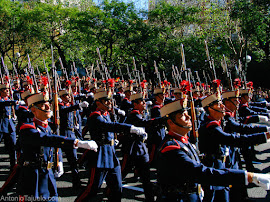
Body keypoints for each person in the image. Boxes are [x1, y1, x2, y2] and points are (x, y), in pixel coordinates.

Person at [157, 99, 270, 202]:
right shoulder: (171, 148)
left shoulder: (183, 141)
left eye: (187, 113)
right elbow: (199, 172)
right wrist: (248, 176)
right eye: (182, 115)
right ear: (171, 123)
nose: (189, 117)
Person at [17, 92, 98, 201]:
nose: (47, 107)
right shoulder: (27, 129)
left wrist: (59, 160)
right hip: (33, 176)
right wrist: (77, 142)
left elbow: (54, 146)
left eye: (48, 104)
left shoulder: (48, 127)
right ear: (33, 110)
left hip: (48, 172)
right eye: (42, 105)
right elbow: (49, 140)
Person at [76, 90, 147, 202]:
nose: (110, 103)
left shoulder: (106, 114)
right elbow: (109, 126)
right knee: (92, 189)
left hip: (111, 153)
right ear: (98, 103)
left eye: (110, 100)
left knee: (117, 188)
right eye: (106, 101)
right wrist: (129, 128)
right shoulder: (95, 116)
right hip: (100, 155)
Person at [198, 90, 270, 202]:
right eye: (218, 104)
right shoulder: (211, 127)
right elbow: (235, 139)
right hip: (214, 167)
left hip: (223, 162)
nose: (222, 106)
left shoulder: (218, 121)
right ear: (210, 109)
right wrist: (265, 135)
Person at [122, 92, 163, 202]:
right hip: (131, 148)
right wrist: (161, 119)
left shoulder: (139, 113)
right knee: (122, 172)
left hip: (140, 148)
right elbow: (145, 123)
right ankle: (110, 190)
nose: (144, 103)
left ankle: (149, 198)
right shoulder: (133, 114)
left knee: (146, 176)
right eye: (142, 102)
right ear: (135, 104)